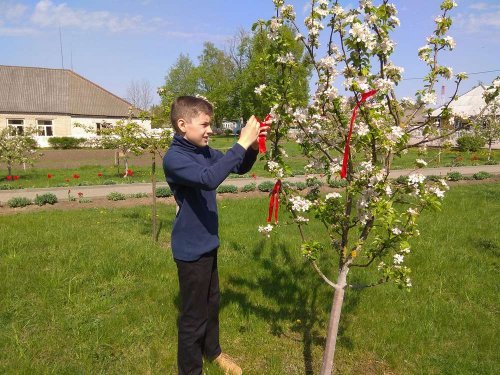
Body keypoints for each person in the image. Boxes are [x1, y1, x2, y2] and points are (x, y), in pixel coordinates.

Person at [163, 96, 269, 375]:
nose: (210, 130)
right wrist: (241, 142)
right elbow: (210, 178)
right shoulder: (175, 158)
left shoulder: (203, 150)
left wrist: (252, 146)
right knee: (193, 318)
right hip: (190, 248)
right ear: (183, 124)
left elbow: (237, 166)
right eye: (205, 124)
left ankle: (214, 352)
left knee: (212, 303)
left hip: (208, 240)